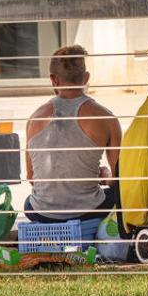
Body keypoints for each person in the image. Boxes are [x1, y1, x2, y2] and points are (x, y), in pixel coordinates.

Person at [25, 45, 122, 222]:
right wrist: (106, 176)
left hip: (42, 214)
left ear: (53, 80)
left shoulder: (34, 119)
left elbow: (31, 178)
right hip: (88, 213)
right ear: (86, 78)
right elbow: (119, 178)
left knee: (28, 202)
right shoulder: (107, 118)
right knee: (118, 194)